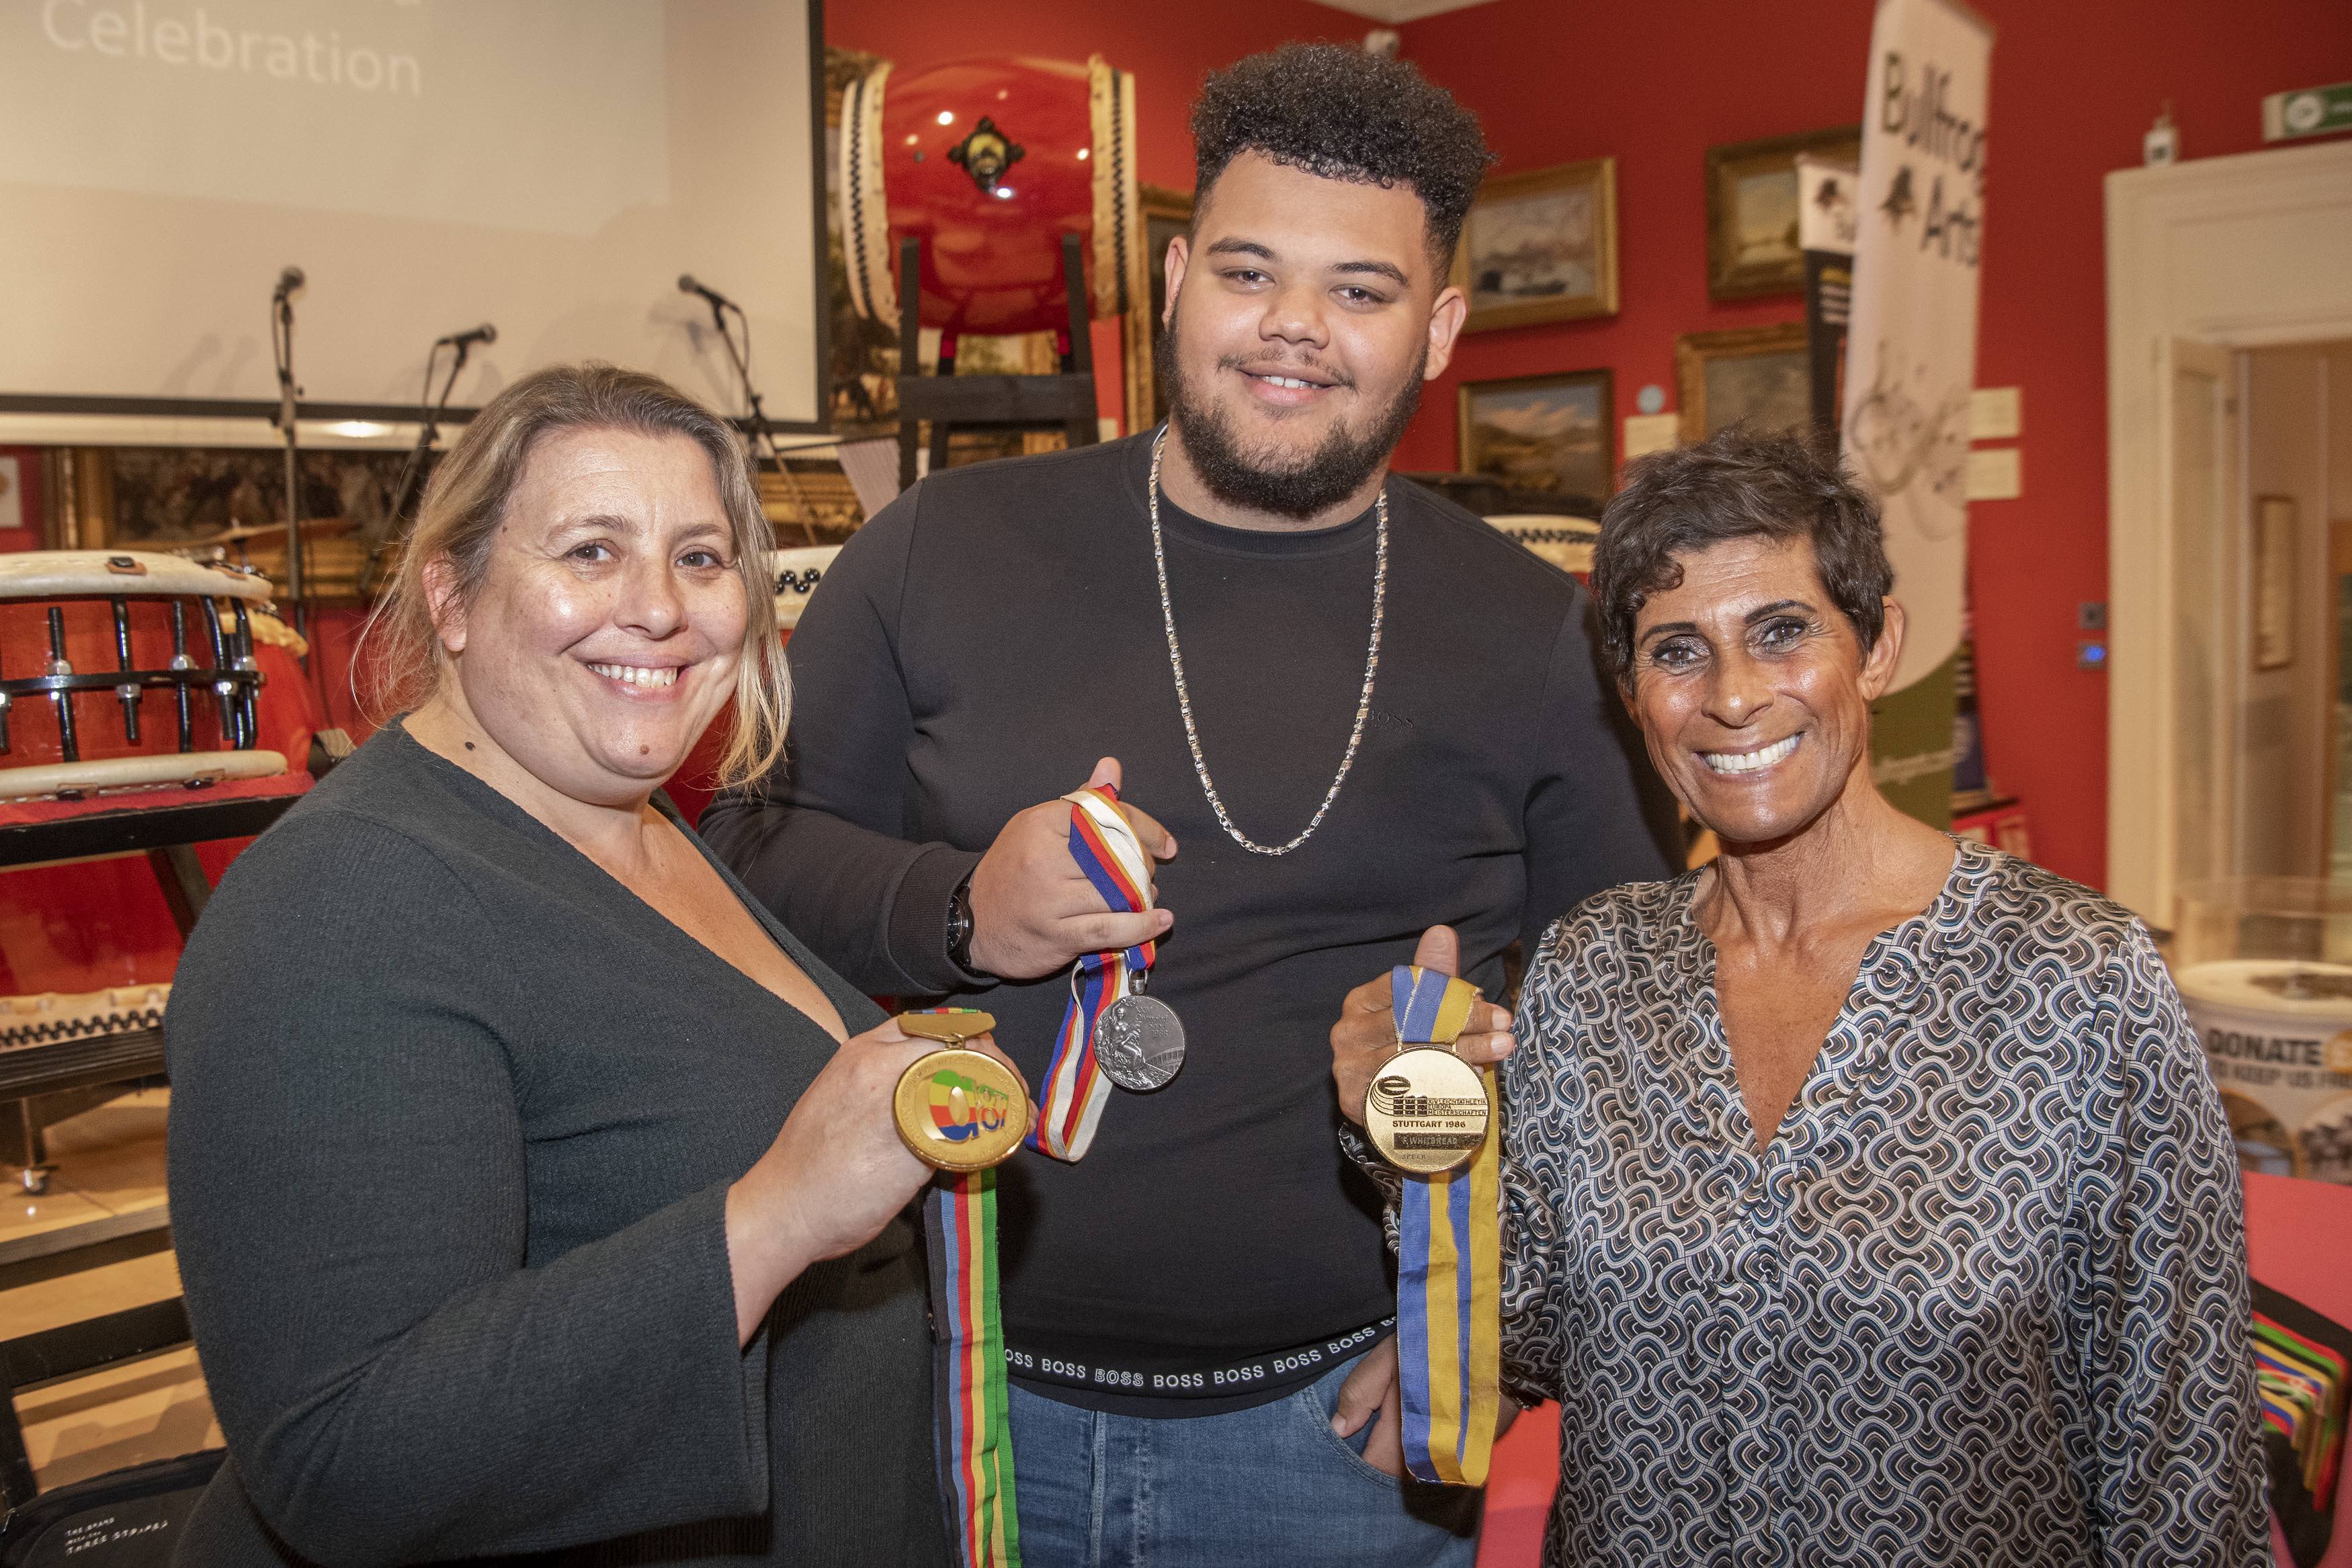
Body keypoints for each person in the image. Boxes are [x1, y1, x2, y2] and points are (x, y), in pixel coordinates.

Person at [699, 42, 1676, 1568]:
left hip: (1332, 1445)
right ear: (1168, 282)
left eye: (1360, 290)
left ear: (1439, 330)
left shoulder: (1534, 628)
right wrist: (967, 911)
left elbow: (1636, 1018)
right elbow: (745, 854)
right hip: (944, 1394)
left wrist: (1505, 1327)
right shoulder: (938, 552)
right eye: (1247, 271)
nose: (1294, 329)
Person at [1329, 426, 2269, 1566]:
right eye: (1678, 650)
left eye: (1782, 632)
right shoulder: (1596, 969)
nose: (1732, 696)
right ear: (1633, 696)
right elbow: (1528, 1334)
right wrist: (1412, 1115)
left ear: (1877, 650)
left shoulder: (2079, 981)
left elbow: (2182, 1451)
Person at [165, 365, 996, 1565]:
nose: (659, 607)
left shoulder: (647, 827)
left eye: (701, 557)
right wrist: (773, 1217)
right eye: (592, 551)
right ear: (451, 595)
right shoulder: (341, 899)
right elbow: (345, 1455)